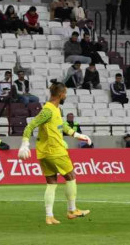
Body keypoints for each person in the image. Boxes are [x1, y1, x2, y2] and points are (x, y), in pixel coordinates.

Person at [18, 83, 93, 225]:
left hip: (44, 153)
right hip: (55, 151)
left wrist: (77, 134)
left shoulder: (55, 109)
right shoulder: (48, 111)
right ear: (60, 94)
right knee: (71, 176)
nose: (65, 96)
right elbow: (30, 125)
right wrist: (25, 144)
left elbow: (62, 126)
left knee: (51, 183)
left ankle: (49, 216)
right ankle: (72, 210)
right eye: (65, 93)